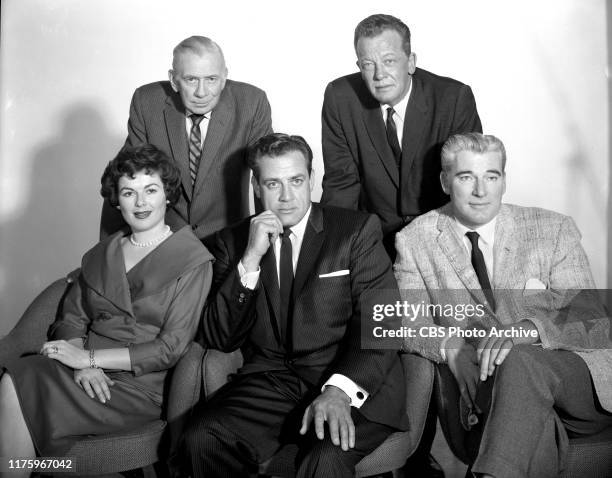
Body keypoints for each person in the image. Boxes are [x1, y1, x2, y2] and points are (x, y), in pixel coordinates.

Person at [182, 133, 406, 477]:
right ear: (256, 186)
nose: (287, 197)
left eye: (296, 181)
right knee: (202, 437)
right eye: (273, 183)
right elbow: (220, 338)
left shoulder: (356, 231)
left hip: (349, 378)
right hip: (273, 381)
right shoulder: (233, 241)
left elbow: (382, 325)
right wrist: (252, 258)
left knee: (324, 459)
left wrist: (339, 391)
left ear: (311, 180)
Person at [394, 132, 612, 477]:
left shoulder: (551, 228)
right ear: (446, 181)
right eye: (467, 177)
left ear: (504, 181)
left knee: (521, 359)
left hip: (577, 390)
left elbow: (591, 320)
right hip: (490, 395)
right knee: (530, 423)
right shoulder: (416, 240)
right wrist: (449, 345)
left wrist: (525, 331)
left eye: (491, 177)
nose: (481, 191)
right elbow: (405, 323)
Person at [0, 145, 213, 468]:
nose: (141, 203)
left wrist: (89, 357)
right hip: (83, 371)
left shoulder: (193, 258)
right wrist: (80, 364)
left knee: (19, 385)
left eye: (150, 190)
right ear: (116, 200)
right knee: (16, 376)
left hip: (137, 387)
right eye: (129, 192)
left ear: (167, 195)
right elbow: (72, 318)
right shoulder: (103, 252)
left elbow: (171, 348)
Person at [321, 13, 482, 258]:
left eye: (388, 61)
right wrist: (329, 254)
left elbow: (468, 182)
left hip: (442, 237)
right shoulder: (340, 98)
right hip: (373, 241)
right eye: (368, 64)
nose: (379, 75)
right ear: (359, 67)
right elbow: (341, 185)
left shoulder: (453, 99)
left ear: (410, 62)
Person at [100, 35, 273, 242]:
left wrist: (269, 243)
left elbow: (268, 176)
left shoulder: (251, 103)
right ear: (174, 80)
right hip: (164, 240)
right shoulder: (147, 102)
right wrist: (109, 251)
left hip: (230, 239)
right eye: (191, 79)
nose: (202, 92)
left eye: (211, 79)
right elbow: (126, 177)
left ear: (224, 77)